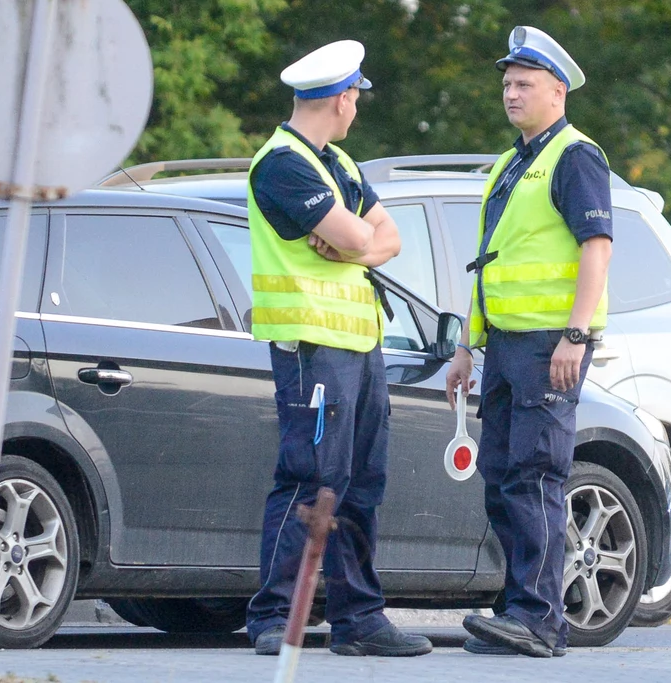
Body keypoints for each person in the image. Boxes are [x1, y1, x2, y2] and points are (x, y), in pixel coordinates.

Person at [245, 39, 432, 658]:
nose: (358, 106)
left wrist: (353, 244)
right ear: (341, 98)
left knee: (360, 485)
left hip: (358, 345)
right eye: (356, 96)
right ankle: (273, 618)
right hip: (310, 346)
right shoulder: (283, 163)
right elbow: (362, 232)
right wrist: (357, 239)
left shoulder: (340, 165)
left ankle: (359, 621)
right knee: (308, 480)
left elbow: (389, 238)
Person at [445, 25, 613, 658]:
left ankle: (539, 619)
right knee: (500, 477)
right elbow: (492, 264)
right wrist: (467, 346)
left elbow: (597, 248)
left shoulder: (574, 156)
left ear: (558, 90)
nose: (511, 94)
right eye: (508, 84)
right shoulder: (516, 161)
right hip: (507, 346)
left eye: (524, 84)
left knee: (535, 475)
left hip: (550, 344)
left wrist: (576, 332)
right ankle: (517, 608)